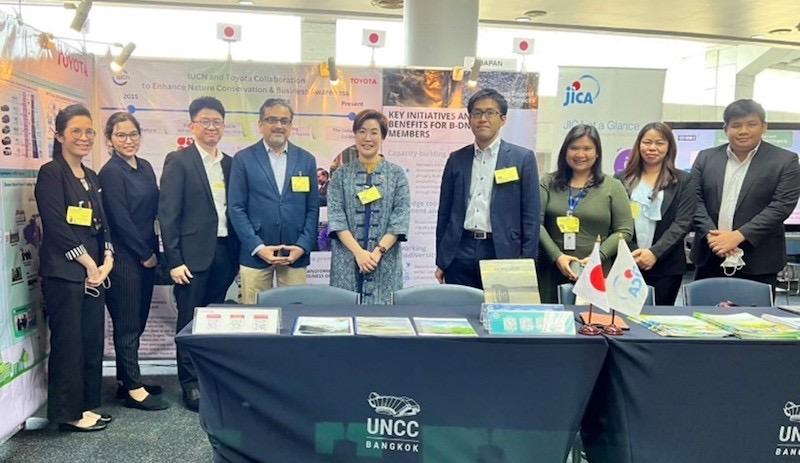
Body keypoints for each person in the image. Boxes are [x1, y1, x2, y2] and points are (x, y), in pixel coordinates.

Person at [35, 104, 114, 431]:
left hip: (95, 274)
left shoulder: (91, 176)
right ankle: (68, 413)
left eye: (89, 131)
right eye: (76, 131)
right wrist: (88, 263)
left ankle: (85, 404)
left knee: (90, 340)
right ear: (59, 136)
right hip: (65, 274)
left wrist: (107, 259)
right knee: (69, 343)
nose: (84, 137)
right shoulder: (51, 173)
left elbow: (102, 222)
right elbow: (56, 225)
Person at [158, 96, 239, 411]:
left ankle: (209, 377)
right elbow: (167, 215)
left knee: (213, 320)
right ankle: (190, 384)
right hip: (191, 258)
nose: (211, 127)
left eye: (217, 122)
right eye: (205, 121)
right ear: (192, 126)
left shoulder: (230, 163)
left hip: (225, 252)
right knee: (189, 320)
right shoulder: (179, 161)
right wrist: (174, 260)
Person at [435, 88, 540, 289]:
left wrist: (527, 263)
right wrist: (442, 259)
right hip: (460, 251)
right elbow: (444, 213)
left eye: (490, 113)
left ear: (503, 119)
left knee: (498, 308)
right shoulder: (456, 159)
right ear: (469, 119)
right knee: (460, 307)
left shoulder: (522, 158)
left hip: (502, 251)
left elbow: (531, 216)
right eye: (477, 113)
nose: (483, 119)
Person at [692, 99, 800, 290]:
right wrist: (713, 236)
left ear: (764, 127)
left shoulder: (785, 161)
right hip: (710, 255)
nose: (743, 131)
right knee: (703, 307)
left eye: (751, 124)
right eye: (736, 125)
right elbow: (693, 199)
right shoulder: (706, 157)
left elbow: (781, 206)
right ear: (725, 129)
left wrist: (738, 236)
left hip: (759, 260)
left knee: (755, 310)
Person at [99, 112, 168, 410]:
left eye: (133, 134)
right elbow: (120, 220)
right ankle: (133, 390)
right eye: (121, 135)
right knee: (127, 325)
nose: (128, 140)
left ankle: (127, 380)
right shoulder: (111, 172)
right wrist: (145, 254)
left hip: (147, 255)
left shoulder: (145, 166)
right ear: (110, 139)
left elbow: (156, 210)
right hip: (125, 259)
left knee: (137, 321)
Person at [228, 99, 319, 304]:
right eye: (272, 120)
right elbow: (236, 208)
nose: (279, 125)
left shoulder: (306, 160)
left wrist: (303, 245)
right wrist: (257, 246)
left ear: (291, 126)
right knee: (255, 314)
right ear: (260, 124)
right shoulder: (243, 159)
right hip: (255, 252)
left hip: (294, 251)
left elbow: (312, 208)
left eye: (284, 121)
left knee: (294, 311)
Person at [537, 124, 633, 303]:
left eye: (587, 148)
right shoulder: (548, 182)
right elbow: (536, 224)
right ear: (565, 151)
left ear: (597, 153)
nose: (580, 154)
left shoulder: (613, 186)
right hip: (551, 269)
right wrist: (557, 256)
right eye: (574, 148)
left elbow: (625, 230)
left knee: (591, 319)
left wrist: (598, 257)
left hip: (596, 270)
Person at [327, 109, 410, 304]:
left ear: (382, 137)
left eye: (374, 132)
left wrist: (376, 254)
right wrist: (359, 253)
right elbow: (337, 218)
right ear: (355, 134)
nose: (367, 138)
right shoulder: (340, 175)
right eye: (362, 131)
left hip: (384, 261)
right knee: (345, 315)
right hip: (346, 260)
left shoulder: (396, 175)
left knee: (383, 318)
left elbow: (400, 219)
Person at [618, 123, 695, 305]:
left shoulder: (683, 180)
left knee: (660, 316)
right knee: (624, 315)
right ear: (639, 145)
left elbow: (683, 222)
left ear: (669, 147)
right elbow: (617, 221)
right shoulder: (621, 179)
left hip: (667, 265)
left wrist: (655, 253)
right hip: (628, 262)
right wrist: (635, 252)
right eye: (647, 142)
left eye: (659, 143)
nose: (652, 148)